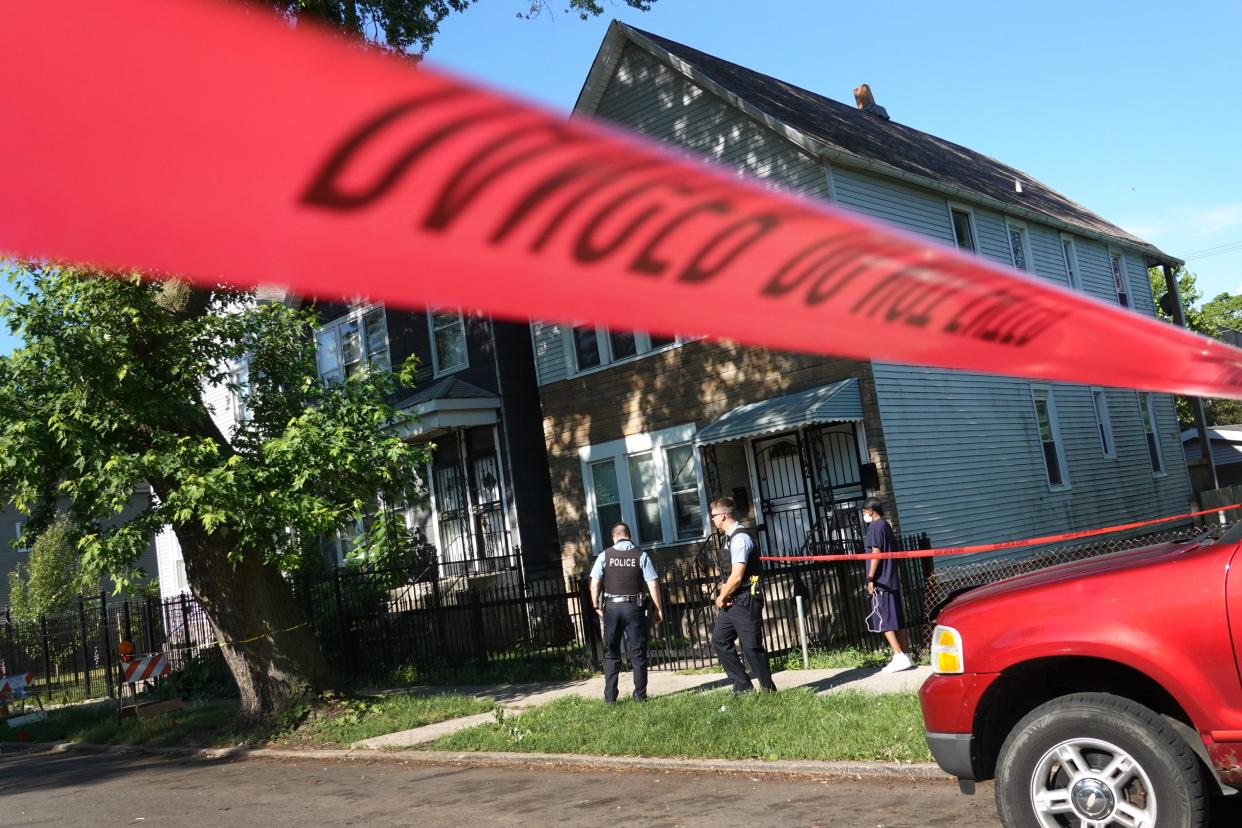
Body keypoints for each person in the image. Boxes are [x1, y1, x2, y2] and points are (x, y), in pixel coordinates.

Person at [590, 522, 664, 703]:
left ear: (614, 537)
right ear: (629, 536)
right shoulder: (641, 555)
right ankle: (640, 695)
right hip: (634, 608)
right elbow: (653, 583)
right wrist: (658, 608)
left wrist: (595, 605)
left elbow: (594, 583)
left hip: (612, 608)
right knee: (638, 652)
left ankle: (610, 698)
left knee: (612, 652)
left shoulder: (604, 555)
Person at [709, 497, 777, 693]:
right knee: (720, 640)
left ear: (722, 516)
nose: (713, 520)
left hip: (745, 598)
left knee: (751, 647)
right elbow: (728, 573)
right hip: (732, 600)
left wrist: (722, 597)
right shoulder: (728, 538)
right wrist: (724, 592)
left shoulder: (740, 539)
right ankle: (743, 686)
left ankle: (768, 690)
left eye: (714, 516)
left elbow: (737, 576)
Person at [861, 497, 913, 673]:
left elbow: (876, 552)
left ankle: (898, 655)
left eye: (864, 511)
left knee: (883, 619)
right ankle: (907, 655)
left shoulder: (875, 527)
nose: (863, 515)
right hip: (891, 579)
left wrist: (870, 578)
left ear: (871, 510)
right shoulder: (886, 526)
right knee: (897, 618)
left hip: (881, 581)